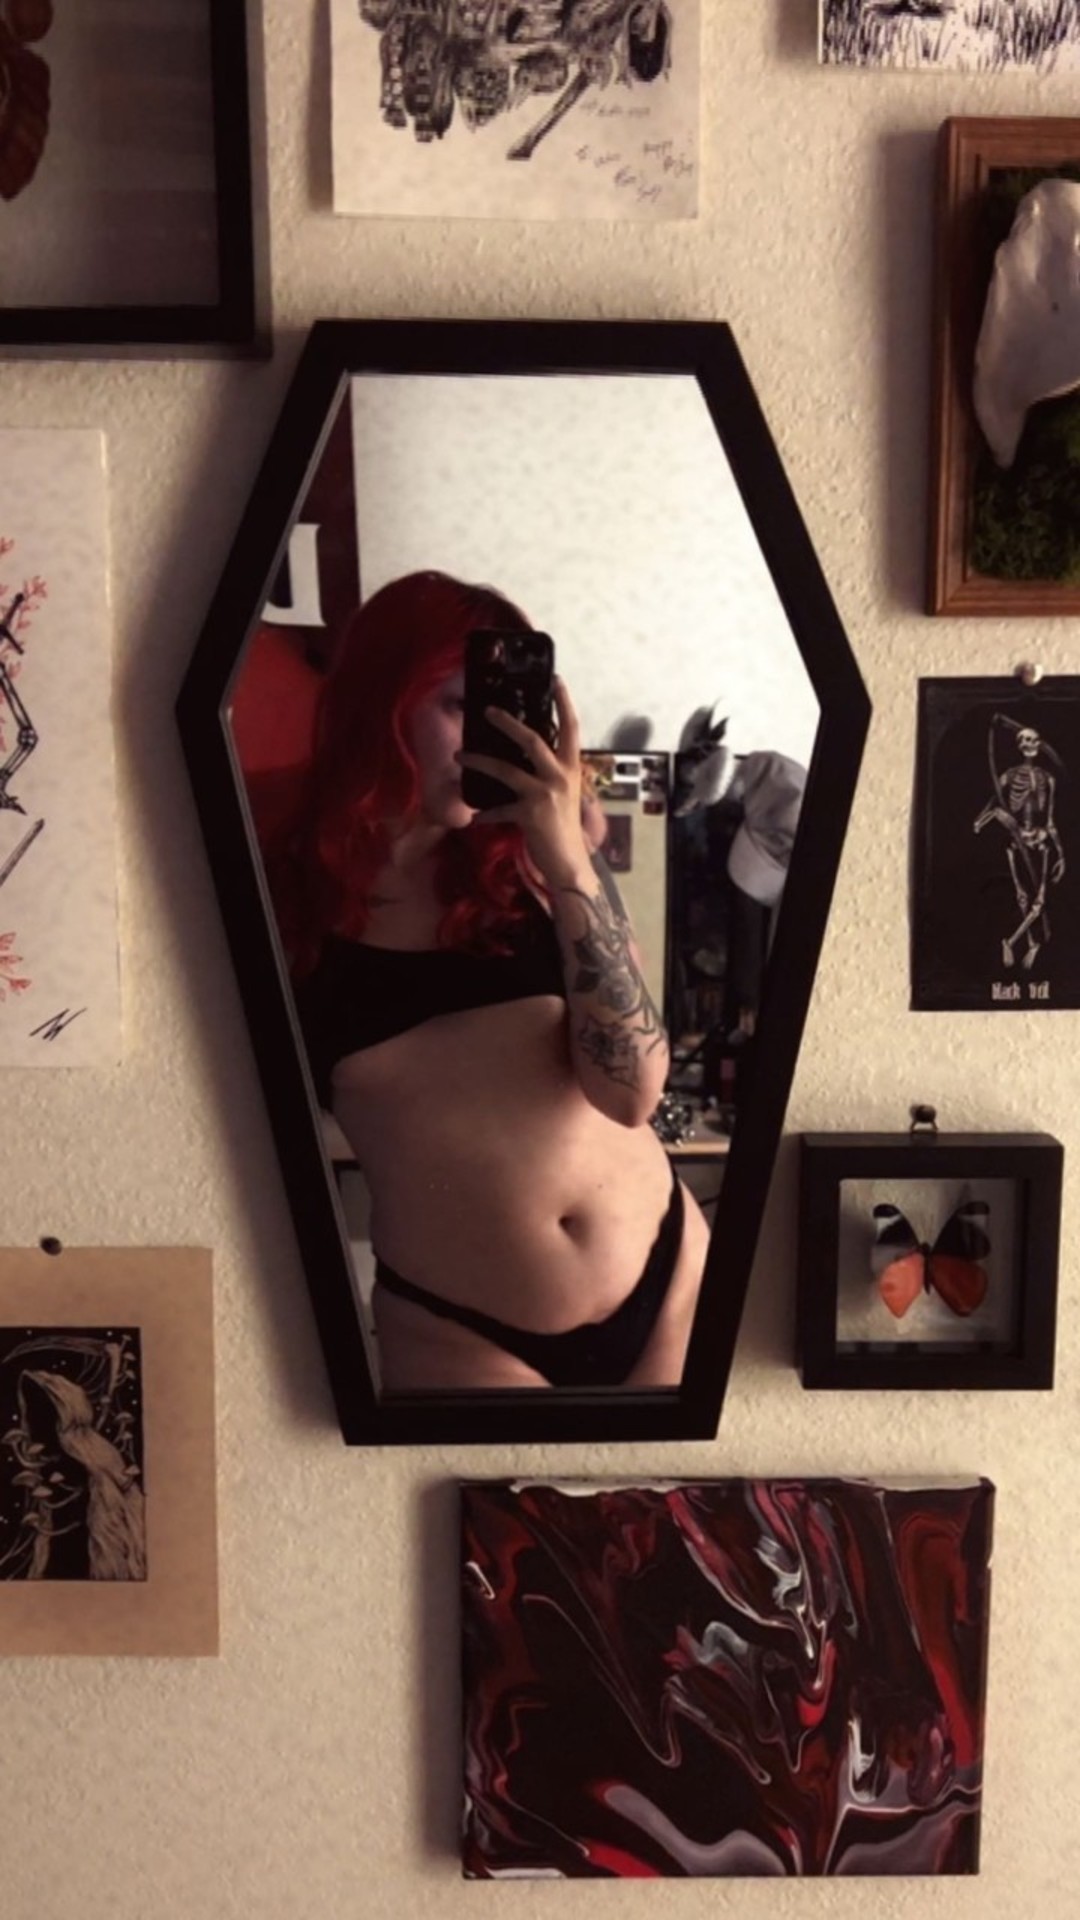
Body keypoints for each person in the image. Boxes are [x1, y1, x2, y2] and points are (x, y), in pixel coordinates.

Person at [271, 570, 709, 1391]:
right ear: (383, 701)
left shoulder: (544, 867)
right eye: (457, 706)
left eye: (508, 711)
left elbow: (631, 1094)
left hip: (670, 1280)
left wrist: (567, 857)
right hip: (458, 1331)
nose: (489, 736)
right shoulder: (284, 891)